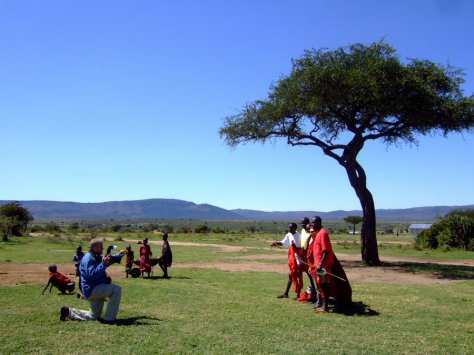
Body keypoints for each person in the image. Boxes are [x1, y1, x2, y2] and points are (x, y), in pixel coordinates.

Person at [59, 238, 125, 324]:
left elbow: (106, 259)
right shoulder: (88, 259)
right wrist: (103, 264)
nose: (102, 249)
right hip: (93, 289)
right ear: (95, 248)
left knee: (93, 316)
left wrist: (119, 255)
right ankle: (110, 319)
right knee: (116, 289)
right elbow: (92, 275)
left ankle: (68, 312)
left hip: (93, 289)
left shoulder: (95, 256)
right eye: (101, 248)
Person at [271, 223, 303, 299]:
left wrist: (297, 251)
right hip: (292, 259)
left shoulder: (299, 236)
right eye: (289, 228)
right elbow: (284, 242)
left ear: (295, 228)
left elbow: (302, 247)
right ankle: (287, 293)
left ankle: (297, 294)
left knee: (297, 276)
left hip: (299, 260)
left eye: (291, 228)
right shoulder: (289, 234)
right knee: (291, 275)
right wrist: (276, 243)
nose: (289, 229)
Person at [310, 216, 335, 313]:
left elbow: (326, 251)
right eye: (312, 222)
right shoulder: (318, 233)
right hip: (319, 264)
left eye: (314, 222)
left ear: (319, 222)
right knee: (321, 284)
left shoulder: (323, 233)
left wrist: (321, 263)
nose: (312, 224)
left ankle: (325, 306)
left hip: (323, 265)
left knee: (324, 285)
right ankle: (324, 306)